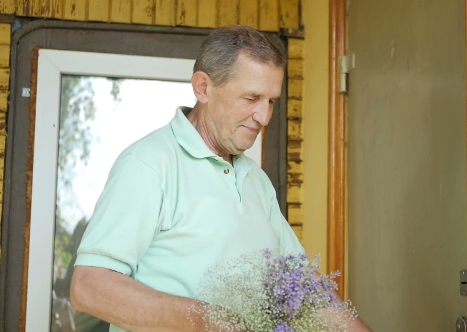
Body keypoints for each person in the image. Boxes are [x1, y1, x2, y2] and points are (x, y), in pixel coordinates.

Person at [70, 25, 371, 332]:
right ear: (203, 88)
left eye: (270, 101)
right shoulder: (149, 164)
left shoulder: (256, 181)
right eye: (251, 97)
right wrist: (209, 322)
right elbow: (89, 287)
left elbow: (306, 294)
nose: (264, 117)